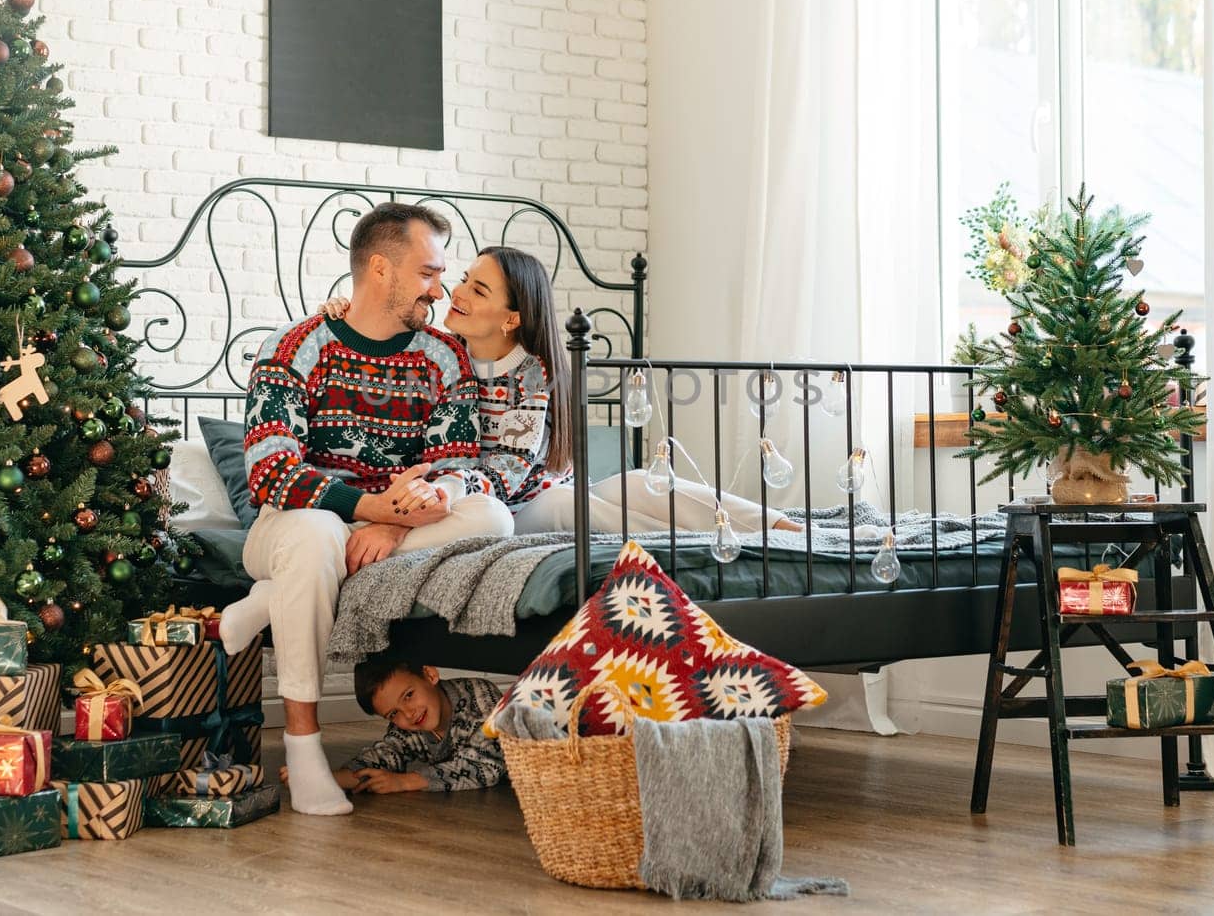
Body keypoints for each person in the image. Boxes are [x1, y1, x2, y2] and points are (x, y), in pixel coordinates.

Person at [219, 202, 514, 816]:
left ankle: (275, 599)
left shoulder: (443, 356)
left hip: (395, 522)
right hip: (290, 524)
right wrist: (367, 504)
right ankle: (303, 751)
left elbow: (457, 462)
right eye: (430, 273)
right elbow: (271, 472)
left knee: (495, 519)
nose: (442, 289)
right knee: (316, 535)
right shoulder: (294, 348)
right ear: (381, 269)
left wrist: (395, 514)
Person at [320, 245, 800, 535]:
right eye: (464, 279)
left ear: (512, 319)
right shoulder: (444, 355)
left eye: (477, 289)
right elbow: (381, 329)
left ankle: (776, 527)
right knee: (567, 505)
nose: (457, 292)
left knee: (635, 482)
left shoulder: (535, 373)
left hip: (528, 492)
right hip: (502, 509)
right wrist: (345, 307)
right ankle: (694, 546)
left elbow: (510, 467)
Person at [334, 659, 506, 794]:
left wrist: (405, 781)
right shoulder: (410, 727)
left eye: (408, 695)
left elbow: (487, 766)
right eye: (393, 714)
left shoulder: (481, 699)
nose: (408, 714)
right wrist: (330, 780)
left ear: (430, 674)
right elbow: (386, 754)